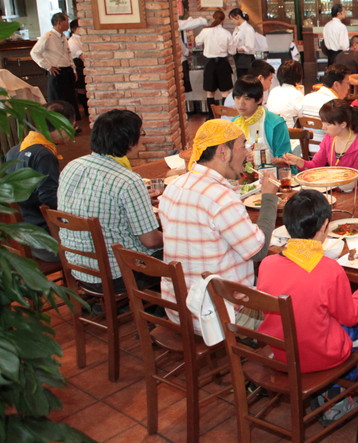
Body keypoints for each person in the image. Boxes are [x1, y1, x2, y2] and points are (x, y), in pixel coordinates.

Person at [160, 119, 279, 324]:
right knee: (298, 309)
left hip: (179, 310)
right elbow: (258, 252)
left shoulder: (175, 185)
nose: (247, 153)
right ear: (223, 152)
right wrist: (269, 197)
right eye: (243, 146)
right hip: (218, 317)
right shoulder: (220, 197)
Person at [257, 189, 358, 376]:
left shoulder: (267, 264)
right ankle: (350, 386)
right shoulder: (329, 269)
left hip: (281, 354)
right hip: (322, 357)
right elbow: (351, 317)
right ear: (325, 224)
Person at [57, 110, 162, 291]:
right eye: (141, 134)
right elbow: (151, 241)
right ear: (129, 141)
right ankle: (168, 303)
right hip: (118, 274)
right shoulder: (128, 181)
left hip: (79, 268)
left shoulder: (72, 166)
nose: (143, 140)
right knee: (185, 250)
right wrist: (176, 238)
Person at [5, 100, 76, 262]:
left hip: (22, 235)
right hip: (45, 242)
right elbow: (49, 199)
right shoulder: (44, 155)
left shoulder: (16, 149)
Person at [280, 100, 358, 173]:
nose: (323, 127)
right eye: (323, 122)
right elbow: (316, 165)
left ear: (343, 124)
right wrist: (298, 161)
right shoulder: (329, 138)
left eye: (328, 124)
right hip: (333, 188)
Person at [230, 75, 292, 163]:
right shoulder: (233, 124)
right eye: (237, 98)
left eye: (247, 99)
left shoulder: (275, 123)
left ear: (259, 99)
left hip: (271, 171)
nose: (241, 103)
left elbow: (286, 162)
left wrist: (261, 159)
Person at [30, 12, 77, 120]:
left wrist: (73, 69)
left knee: (70, 100)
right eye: (66, 21)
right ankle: (57, 123)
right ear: (59, 23)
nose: (68, 24)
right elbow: (34, 53)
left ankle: (71, 122)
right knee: (57, 100)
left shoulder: (63, 36)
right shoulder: (48, 36)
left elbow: (68, 54)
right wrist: (48, 67)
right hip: (57, 72)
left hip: (67, 70)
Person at [195, 9, 237, 108]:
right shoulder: (226, 33)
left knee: (210, 93)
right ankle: (226, 114)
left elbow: (197, 42)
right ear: (223, 20)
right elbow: (232, 52)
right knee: (225, 93)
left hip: (210, 64)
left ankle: (212, 115)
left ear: (213, 18)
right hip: (223, 64)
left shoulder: (206, 31)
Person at [266, 59, 305, 129]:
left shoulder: (273, 91)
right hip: (291, 132)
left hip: (272, 130)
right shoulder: (296, 94)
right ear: (298, 76)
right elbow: (303, 117)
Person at [229, 8, 259, 79]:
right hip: (238, 58)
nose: (232, 22)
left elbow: (250, 46)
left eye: (232, 19)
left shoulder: (248, 29)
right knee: (240, 78)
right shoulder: (237, 28)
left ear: (238, 17)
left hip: (246, 58)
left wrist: (237, 49)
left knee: (246, 79)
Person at [67, 19, 86, 114]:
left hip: (83, 66)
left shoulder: (82, 38)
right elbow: (83, 57)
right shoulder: (72, 41)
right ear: (76, 28)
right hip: (79, 66)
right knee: (82, 89)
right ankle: (86, 110)